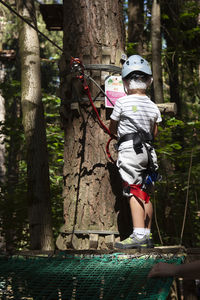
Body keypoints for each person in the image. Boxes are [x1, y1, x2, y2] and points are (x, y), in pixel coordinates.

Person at [109, 55, 162, 249]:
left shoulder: (121, 103)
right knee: (146, 190)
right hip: (148, 151)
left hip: (131, 150)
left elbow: (113, 127)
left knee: (133, 190)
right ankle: (146, 235)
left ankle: (138, 234)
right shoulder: (153, 106)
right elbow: (154, 132)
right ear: (149, 81)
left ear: (124, 82)